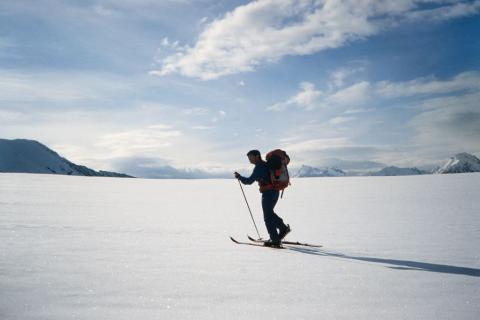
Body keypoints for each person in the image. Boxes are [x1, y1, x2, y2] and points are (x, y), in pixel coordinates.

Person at [234, 150, 291, 247]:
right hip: (275, 192)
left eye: (250, 157)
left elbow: (249, 181)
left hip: (268, 193)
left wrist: (240, 177)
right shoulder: (265, 164)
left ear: (257, 156)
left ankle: (275, 240)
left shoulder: (259, 167)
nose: (249, 159)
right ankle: (283, 228)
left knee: (267, 217)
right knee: (269, 213)